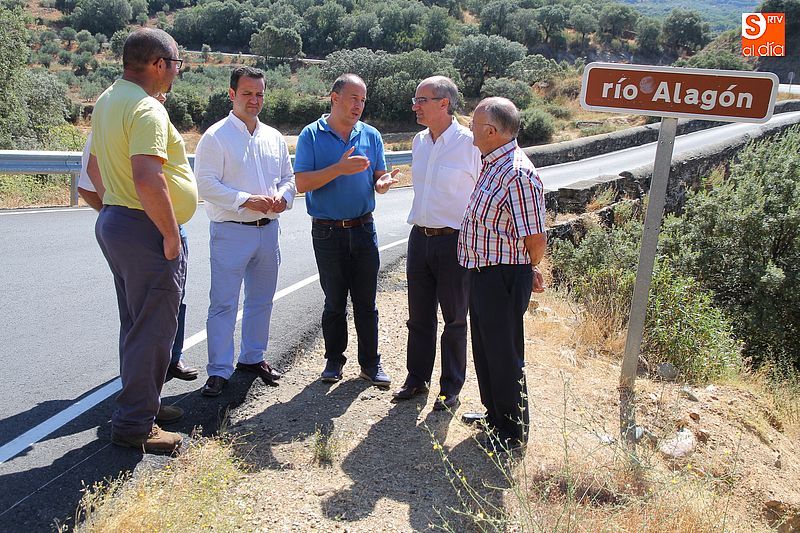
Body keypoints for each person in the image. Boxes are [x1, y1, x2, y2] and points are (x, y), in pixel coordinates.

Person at [91, 28, 197, 453]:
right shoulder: (147, 110)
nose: (176, 73)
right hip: (145, 227)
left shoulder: (108, 99)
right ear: (158, 65)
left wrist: (113, 208)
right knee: (154, 330)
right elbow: (148, 177)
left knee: (136, 325)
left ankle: (141, 406)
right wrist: (170, 234)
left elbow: (95, 167)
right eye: (176, 65)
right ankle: (137, 425)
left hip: (120, 220)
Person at [79, 94, 199, 386]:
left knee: (165, 309)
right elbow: (90, 181)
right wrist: (123, 210)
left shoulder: (134, 115)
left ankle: (156, 386)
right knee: (148, 323)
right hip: (148, 231)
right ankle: (139, 415)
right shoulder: (127, 118)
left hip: (157, 226)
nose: (164, 92)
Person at [195, 67, 295, 397]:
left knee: (261, 300)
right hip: (231, 231)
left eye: (260, 94)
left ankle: (252, 358)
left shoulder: (273, 137)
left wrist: (284, 198)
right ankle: (219, 370)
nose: (254, 100)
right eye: (247, 93)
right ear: (232, 94)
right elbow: (206, 185)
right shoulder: (215, 136)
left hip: (268, 230)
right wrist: (245, 200)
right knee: (223, 303)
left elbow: (288, 178)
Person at [294, 73, 399, 387]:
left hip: (364, 229)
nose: (359, 105)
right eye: (353, 98)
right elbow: (301, 183)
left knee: (366, 302)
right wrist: (339, 168)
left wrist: (383, 183)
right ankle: (333, 361)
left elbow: (379, 177)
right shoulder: (311, 135)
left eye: (363, 100)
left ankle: (370, 364)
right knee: (334, 302)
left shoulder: (371, 135)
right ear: (334, 97)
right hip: (327, 232)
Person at [458, 97, 547, 451]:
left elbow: (535, 237)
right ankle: (494, 415)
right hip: (483, 274)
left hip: (503, 276)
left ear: (491, 131)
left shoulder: (517, 172)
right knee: (485, 348)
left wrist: (529, 267)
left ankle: (511, 433)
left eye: (474, 126)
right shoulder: (492, 164)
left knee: (504, 354)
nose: (469, 131)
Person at [393, 76, 480, 411]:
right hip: (420, 238)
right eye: (415, 100)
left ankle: (450, 389)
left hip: (455, 241)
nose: (415, 106)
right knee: (419, 317)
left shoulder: (470, 143)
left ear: (444, 103)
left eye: (422, 100)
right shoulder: (419, 141)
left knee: (455, 319)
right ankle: (417, 380)